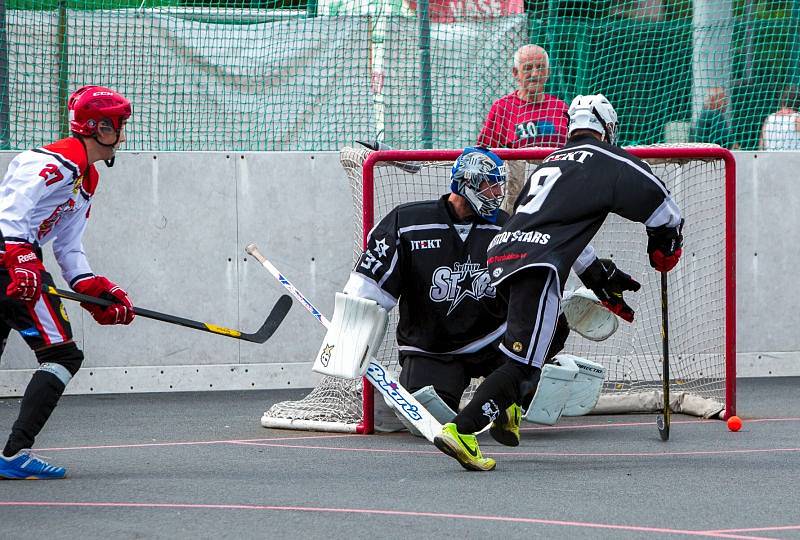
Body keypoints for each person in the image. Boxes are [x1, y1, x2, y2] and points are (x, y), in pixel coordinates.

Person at [434, 94, 684, 471]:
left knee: (529, 342)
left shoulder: (549, 163)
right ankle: (462, 430)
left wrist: (599, 275)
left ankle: (508, 410)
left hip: (502, 254)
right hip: (538, 265)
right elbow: (663, 206)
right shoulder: (607, 158)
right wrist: (665, 246)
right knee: (524, 361)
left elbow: (554, 226)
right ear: (607, 127)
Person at [0, 85, 135, 479]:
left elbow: (69, 245)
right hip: (10, 260)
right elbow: (10, 212)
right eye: (115, 126)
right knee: (62, 355)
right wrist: (21, 260)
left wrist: (92, 287)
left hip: (16, 260)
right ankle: (14, 455)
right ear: (94, 127)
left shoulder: (87, 178)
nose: (122, 136)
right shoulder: (55, 161)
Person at [476, 44, 569, 213]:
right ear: (515, 73)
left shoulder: (561, 108)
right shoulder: (503, 108)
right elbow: (484, 153)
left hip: (557, 195)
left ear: (548, 72)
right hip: (517, 200)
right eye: (528, 68)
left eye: (540, 68)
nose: (535, 74)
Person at [760, 85, 800, 150]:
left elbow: (761, 148)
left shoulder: (769, 119)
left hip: (770, 159)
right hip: (793, 159)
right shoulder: (797, 119)